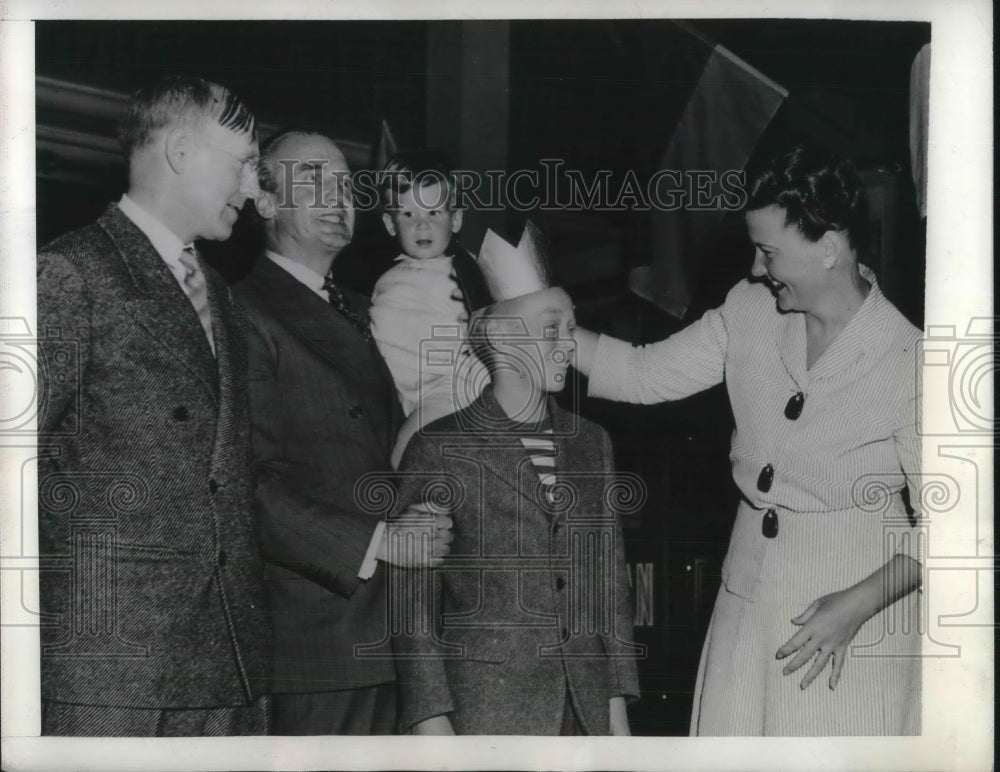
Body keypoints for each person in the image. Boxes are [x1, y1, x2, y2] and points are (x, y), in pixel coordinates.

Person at [572, 144, 923, 736]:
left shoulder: (909, 358)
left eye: (768, 252)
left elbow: (961, 525)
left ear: (829, 249)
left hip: (854, 616)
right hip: (749, 591)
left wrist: (856, 605)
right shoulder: (750, 310)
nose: (758, 269)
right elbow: (640, 373)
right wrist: (545, 327)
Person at [36, 75, 270, 735]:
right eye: (244, 163)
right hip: (113, 669)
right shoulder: (69, 273)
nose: (253, 188)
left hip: (228, 663)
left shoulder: (218, 293)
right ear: (182, 154)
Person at [233, 130, 453, 735]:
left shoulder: (368, 307)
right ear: (267, 201)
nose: (337, 198)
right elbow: (246, 488)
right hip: (320, 648)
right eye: (313, 181)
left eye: (344, 183)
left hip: (402, 633)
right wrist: (378, 542)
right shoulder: (242, 315)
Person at [391, 223, 641, 735]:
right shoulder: (438, 448)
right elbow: (412, 609)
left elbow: (607, 587)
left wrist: (617, 720)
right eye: (553, 327)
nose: (569, 345)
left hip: (584, 714)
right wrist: (431, 722)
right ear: (501, 334)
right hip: (485, 715)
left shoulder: (591, 442)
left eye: (572, 328)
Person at [369, 151, 492, 468]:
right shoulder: (387, 281)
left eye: (434, 212)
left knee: (405, 457)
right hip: (402, 397)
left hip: (451, 389)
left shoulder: (467, 274)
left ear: (457, 219)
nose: (421, 224)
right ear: (389, 223)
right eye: (407, 215)